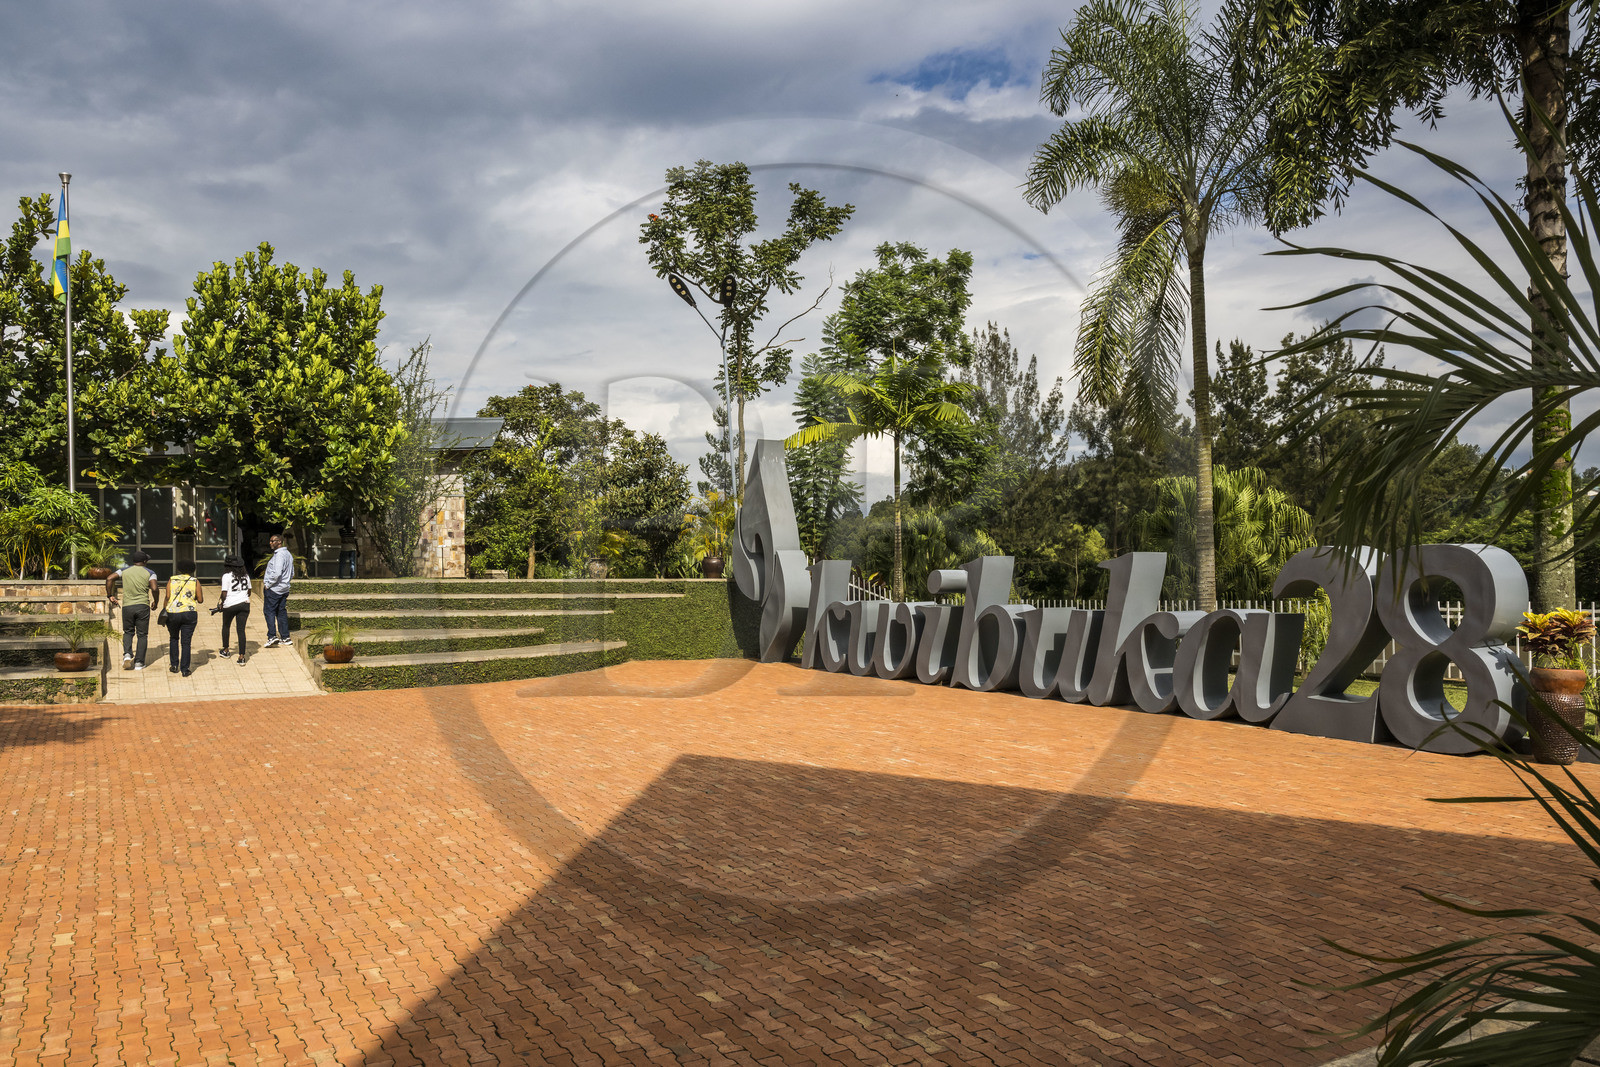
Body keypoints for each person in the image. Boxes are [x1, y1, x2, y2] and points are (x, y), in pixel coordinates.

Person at [106, 550, 158, 670]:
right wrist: (156, 601)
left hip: (127, 606)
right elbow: (154, 588)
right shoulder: (150, 572)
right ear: (144, 561)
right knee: (142, 635)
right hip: (142, 606)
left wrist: (110, 595)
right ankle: (139, 663)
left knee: (128, 632)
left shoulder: (124, 571)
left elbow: (109, 578)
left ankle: (127, 655)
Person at [155, 557, 203, 677]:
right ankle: (185, 669)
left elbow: (167, 596)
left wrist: (165, 609)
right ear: (192, 570)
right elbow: (201, 600)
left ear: (179, 568)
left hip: (173, 612)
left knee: (174, 638)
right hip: (189, 613)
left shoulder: (172, 579)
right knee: (186, 642)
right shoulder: (194, 581)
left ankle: (174, 665)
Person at [217, 555, 252, 665]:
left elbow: (224, 593)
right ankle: (241, 657)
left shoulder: (226, 576)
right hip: (244, 604)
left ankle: (226, 650)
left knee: (226, 626)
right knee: (241, 630)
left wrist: (221, 603)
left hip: (230, 605)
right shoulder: (246, 576)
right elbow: (249, 592)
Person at [262, 533, 294, 648]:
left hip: (275, 589)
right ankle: (285, 637)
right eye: (270, 541)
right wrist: (286, 583)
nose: (270, 543)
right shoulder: (288, 554)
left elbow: (277, 573)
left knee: (269, 612)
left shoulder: (280, 555)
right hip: (284, 588)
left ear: (279, 542)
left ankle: (272, 636)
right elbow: (292, 573)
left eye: (273, 541)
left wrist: (268, 584)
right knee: (281, 612)